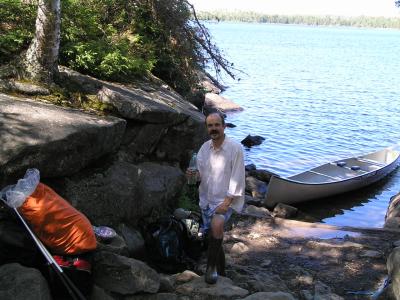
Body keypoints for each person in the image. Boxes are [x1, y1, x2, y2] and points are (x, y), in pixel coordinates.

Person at [189, 112, 245, 284]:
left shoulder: (235, 148)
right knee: (213, 235)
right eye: (210, 125)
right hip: (206, 198)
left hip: (226, 199)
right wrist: (192, 174)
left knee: (217, 225)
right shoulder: (204, 148)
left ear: (224, 126)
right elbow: (199, 175)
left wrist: (227, 202)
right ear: (207, 128)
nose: (213, 128)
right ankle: (222, 271)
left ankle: (210, 269)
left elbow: (238, 177)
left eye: (217, 125)